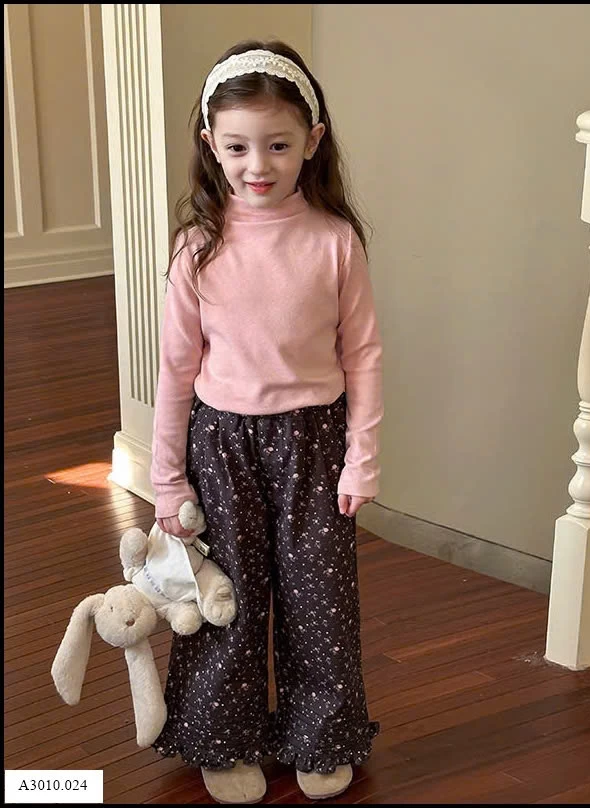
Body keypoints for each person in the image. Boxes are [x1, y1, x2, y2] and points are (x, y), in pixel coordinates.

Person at [149, 39, 382, 804]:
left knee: (321, 602)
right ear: (211, 144)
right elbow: (176, 371)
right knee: (230, 598)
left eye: (278, 145)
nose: (258, 165)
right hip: (221, 445)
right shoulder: (197, 248)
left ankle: (322, 736)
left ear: (311, 142)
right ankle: (224, 740)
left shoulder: (335, 242)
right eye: (239, 147)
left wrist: (361, 457)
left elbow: (363, 355)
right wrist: (166, 478)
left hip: (315, 444)